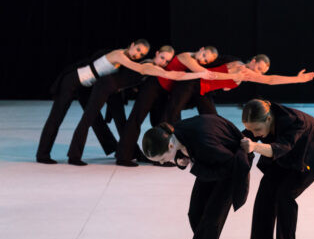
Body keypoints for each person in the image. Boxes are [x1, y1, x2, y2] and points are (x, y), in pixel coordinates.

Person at [142, 115, 253, 239]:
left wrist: (194, 164)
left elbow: (231, 166)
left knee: (210, 223)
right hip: (210, 164)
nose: (161, 163)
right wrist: (183, 160)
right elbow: (193, 153)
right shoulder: (175, 133)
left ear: (170, 146)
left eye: (162, 159)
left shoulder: (203, 141)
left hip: (231, 171)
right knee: (195, 214)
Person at [66, 45, 214, 165]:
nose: (163, 62)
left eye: (166, 61)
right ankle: (115, 157)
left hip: (116, 90)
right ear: (156, 53)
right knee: (93, 118)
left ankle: (129, 153)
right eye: (162, 58)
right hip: (106, 86)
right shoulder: (149, 65)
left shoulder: (151, 65)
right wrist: (199, 74)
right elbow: (172, 75)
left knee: (125, 121)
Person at [240, 99, 314, 239]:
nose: (255, 134)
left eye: (258, 130)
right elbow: (244, 137)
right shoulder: (262, 119)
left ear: (268, 119)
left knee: (285, 195)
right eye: (250, 129)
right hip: (288, 154)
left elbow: (279, 148)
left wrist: (254, 146)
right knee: (266, 191)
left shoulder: (294, 121)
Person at [36, 39, 150, 164]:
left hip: (85, 87)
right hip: (72, 81)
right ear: (132, 45)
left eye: (141, 55)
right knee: (56, 117)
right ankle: (43, 154)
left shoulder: (124, 63)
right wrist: (157, 67)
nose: (137, 55)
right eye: (138, 50)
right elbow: (139, 68)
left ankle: (79, 155)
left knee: (93, 118)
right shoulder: (119, 55)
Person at [115, 46, 219, 167]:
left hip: (163, 91)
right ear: (201, 49)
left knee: (159, 123)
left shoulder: (194, 61)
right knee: (137, 117)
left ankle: (157, 155)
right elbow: (194, 73)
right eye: (204, 55)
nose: (203, 60)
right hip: (153, 86)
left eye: (207, 61)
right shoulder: (186, 56)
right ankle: (123, 156)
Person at [166, 54, 314, 124]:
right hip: (191, 84)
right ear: (252, 61)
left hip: (201, 90)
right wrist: (297, 79)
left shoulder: (242, 74)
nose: (258, 73)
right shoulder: (241, 68)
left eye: (261, 71)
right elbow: (270, 80)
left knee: (212, 119)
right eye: (258, 68)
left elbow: (220, 81)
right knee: (172, 113)